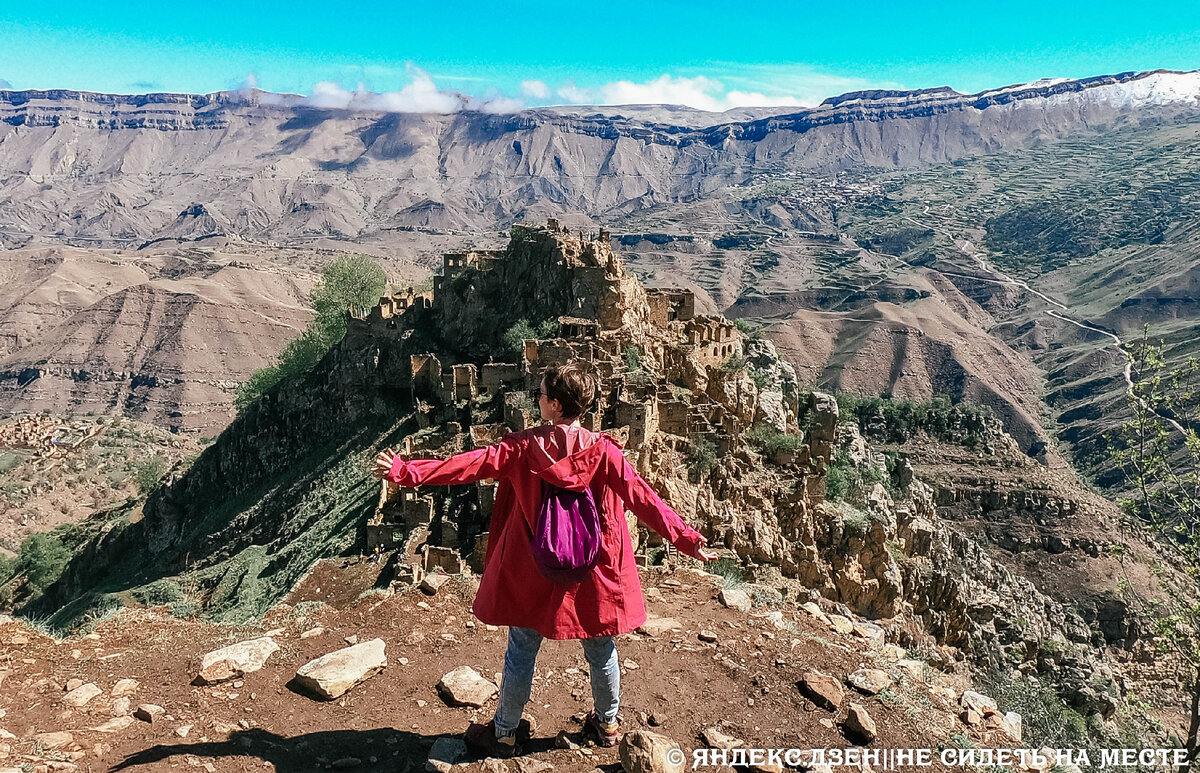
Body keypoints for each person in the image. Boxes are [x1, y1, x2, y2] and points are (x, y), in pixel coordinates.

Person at [372, 361, 717, 757]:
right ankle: (607, 725)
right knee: (601, 647)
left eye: (539, 394)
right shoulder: (604, 451)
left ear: (553, 405)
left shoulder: (522, 448)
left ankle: (503, 732)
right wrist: (688, 539)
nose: (535, 399)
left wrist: (407, 471)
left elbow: (468, 465)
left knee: (521, 647)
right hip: (593, 566)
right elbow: (643, 499)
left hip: (536, 564)